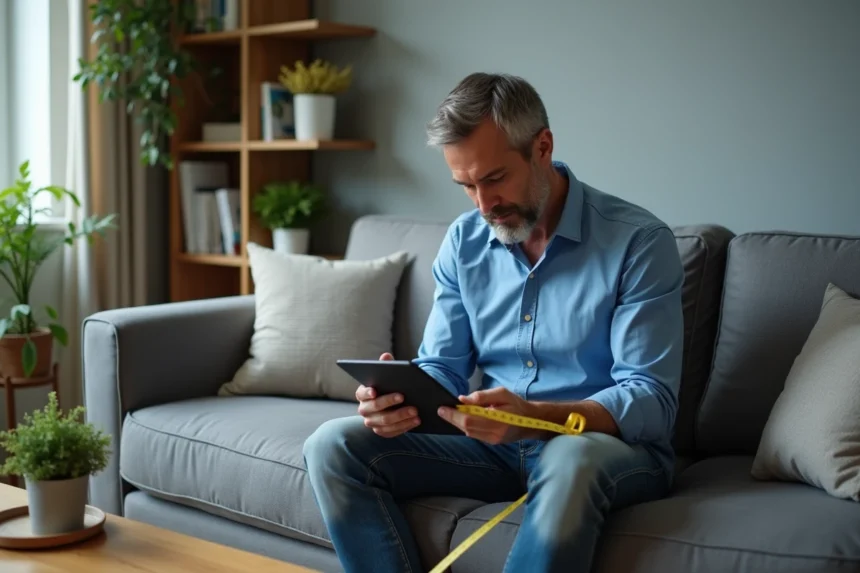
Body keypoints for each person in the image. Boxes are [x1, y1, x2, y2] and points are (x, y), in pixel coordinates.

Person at [303, 72, 685, 573]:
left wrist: (533, 416)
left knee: (571, 460)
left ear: (542, 147)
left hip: (603, 453)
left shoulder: (638, 243)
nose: (484, 205)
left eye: (494, 178)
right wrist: (399, 401)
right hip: (492, 448)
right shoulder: (464, 243)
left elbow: (651, 400)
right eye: (466, 186)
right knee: (331, 446)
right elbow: (443, 368)